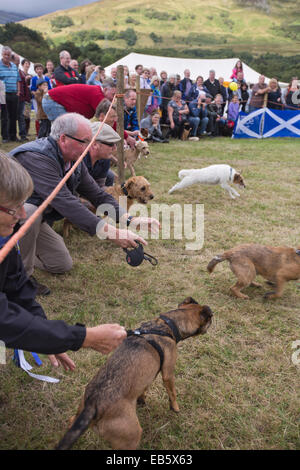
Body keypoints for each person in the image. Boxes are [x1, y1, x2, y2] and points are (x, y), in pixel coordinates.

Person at [10, 113, 159, 294]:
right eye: (84, 141)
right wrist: (113, 233)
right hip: (10, 215)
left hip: (30, 218)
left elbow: (98, 195)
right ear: (63, 139)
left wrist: (130, 220)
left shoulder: (74, 160)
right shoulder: (37, 158)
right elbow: (66, 202)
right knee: (31, 212)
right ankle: (20, 278)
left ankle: (16, 254)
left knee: (60, 263)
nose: (89, 146)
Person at [0, 151, 127, 363]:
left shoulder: (5, 234)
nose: (23, 215)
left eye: (23, 203)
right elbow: (4, 319)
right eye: (14, 208)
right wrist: (81, 338)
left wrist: (46, 336)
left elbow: (16, 287)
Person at [42, 79, 116, 122]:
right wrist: (125, 136)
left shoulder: (97, 92)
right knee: (65, 129)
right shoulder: (97, 95)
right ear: (105, 90)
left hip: (51, 99)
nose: (113, 98)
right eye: (113, 95)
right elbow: (107, 117)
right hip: (52, 100)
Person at [84, 122, 119, 187]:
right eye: (111, 144)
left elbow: (100, 187)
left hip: (88, 188)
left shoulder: (105, 159)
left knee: (110, 176)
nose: (114, 148)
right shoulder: (79, 160)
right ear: (95, 144)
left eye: (115, 144)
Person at [0, 46, 21, 143]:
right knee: (5, 116)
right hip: (3, 94)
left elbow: (18, 80)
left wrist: (18, 92)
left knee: (14, 115)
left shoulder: (14, 66)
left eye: (8, 55)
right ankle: (5, 136)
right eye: (5, 54)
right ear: (2, 54)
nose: (7, 56)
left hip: (14, 94)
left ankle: (13, 136)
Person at [11, 53, 29, 142]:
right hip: (12, 97)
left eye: (18, 60)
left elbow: (25, 85)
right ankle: (13, 136)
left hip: (21, 98)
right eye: (16, 60)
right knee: (12, 117)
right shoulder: (9, 71)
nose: (18, 62)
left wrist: (26, 97)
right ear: (12, 61)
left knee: (21, 116)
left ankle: (23, 135)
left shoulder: (20, 71)